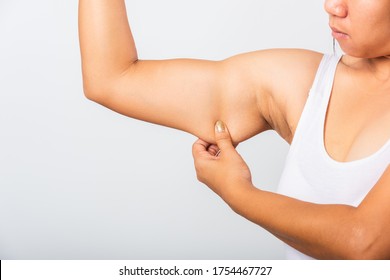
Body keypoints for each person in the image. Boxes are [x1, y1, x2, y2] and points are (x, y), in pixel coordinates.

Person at [78, 0, 390, 259]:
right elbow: (111, 79)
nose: (333, 6)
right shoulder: (305, 82)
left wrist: (238, 193)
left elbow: (364, 244)